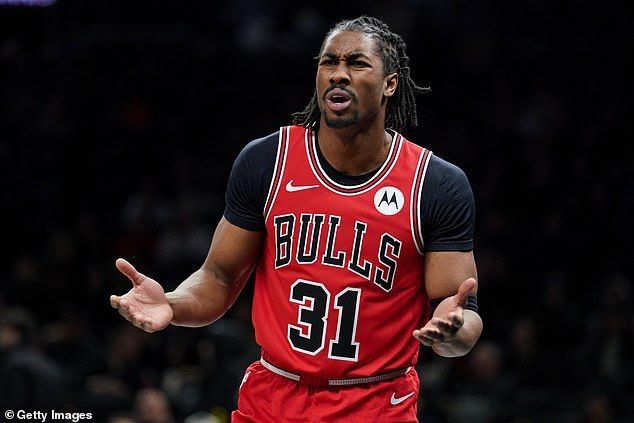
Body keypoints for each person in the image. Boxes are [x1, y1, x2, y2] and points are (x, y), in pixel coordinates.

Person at [110, 15, 483, 422]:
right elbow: (218, 278)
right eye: (329, 62)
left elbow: (459, 314)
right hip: (272, 398)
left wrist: (452, 333)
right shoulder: (267, 161)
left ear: (390, 84)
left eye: (357, 63)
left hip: (375, 405)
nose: (338, 74)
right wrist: (171, 303)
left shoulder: (435, 184)